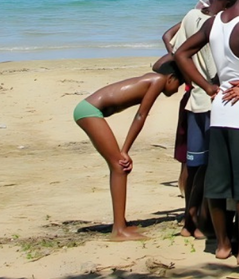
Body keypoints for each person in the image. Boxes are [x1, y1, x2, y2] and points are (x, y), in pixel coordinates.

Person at [172, 0, 239, 267]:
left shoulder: (215, 21)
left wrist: (207, 86)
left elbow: (181, 53)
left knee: (216, 184)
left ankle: (222, 246)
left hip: (218, 111)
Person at [72, 61, 185, 240]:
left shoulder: (153, 77)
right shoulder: (156, 80)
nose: (178, 89)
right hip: (89, 111)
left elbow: (162, 62)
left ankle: (121, 223)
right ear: (171, 78)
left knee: (118, 166)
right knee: (119, 166)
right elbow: (141, 115)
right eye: (180, 83)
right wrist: (125, 150)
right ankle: (119, 230)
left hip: (90, 110)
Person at [162, 0, 232, 237]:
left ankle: (188, 221)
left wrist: (186, 74)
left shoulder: (192, 17)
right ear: (227, 4)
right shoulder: (219, 26)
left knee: (193, 165)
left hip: (194, 99)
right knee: (208, 167)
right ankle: (201, 222)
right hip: (211, 101)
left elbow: (175, 46)